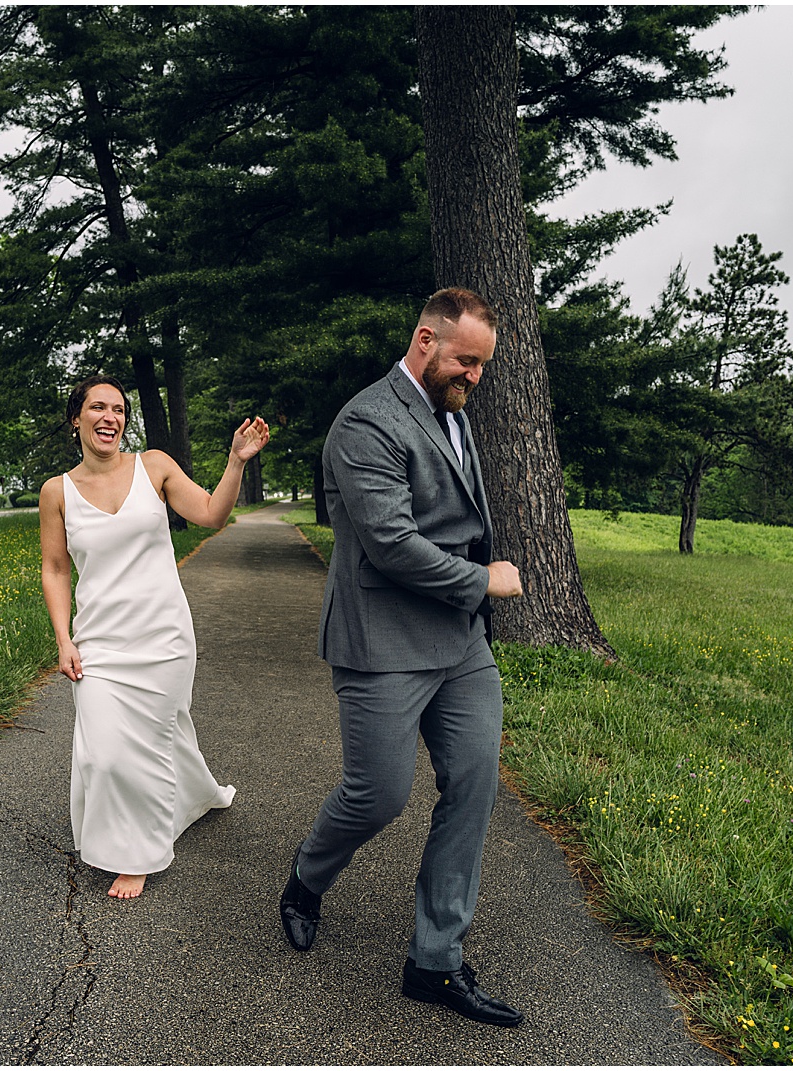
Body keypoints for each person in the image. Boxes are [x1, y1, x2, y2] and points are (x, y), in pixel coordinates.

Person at [278, 287, 526, 1026]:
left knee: (475, 783)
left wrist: (476, 598)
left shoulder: (453, 410)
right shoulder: (366, 421)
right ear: (425, 338)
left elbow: (461, 516)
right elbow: (391, 546)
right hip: (382, 640)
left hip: (460, 642)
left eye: (482, 364)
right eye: (465, 359)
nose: (474, 376)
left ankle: (435, 963)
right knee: (378, 793)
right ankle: (305, 879)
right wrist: (482, 579)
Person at [40, 375, 270, 900]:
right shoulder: (57, 492)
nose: (109, 418)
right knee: (104, 754)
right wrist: (63, 639)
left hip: (163, 637)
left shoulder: (154, 467)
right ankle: (198, 794)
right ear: (76, 419)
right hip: (99, 641)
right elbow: (55, 569)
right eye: (97, 408)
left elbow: (212, 515)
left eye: (118, 409)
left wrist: (236, 462)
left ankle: (139, 853)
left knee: (149, 741)